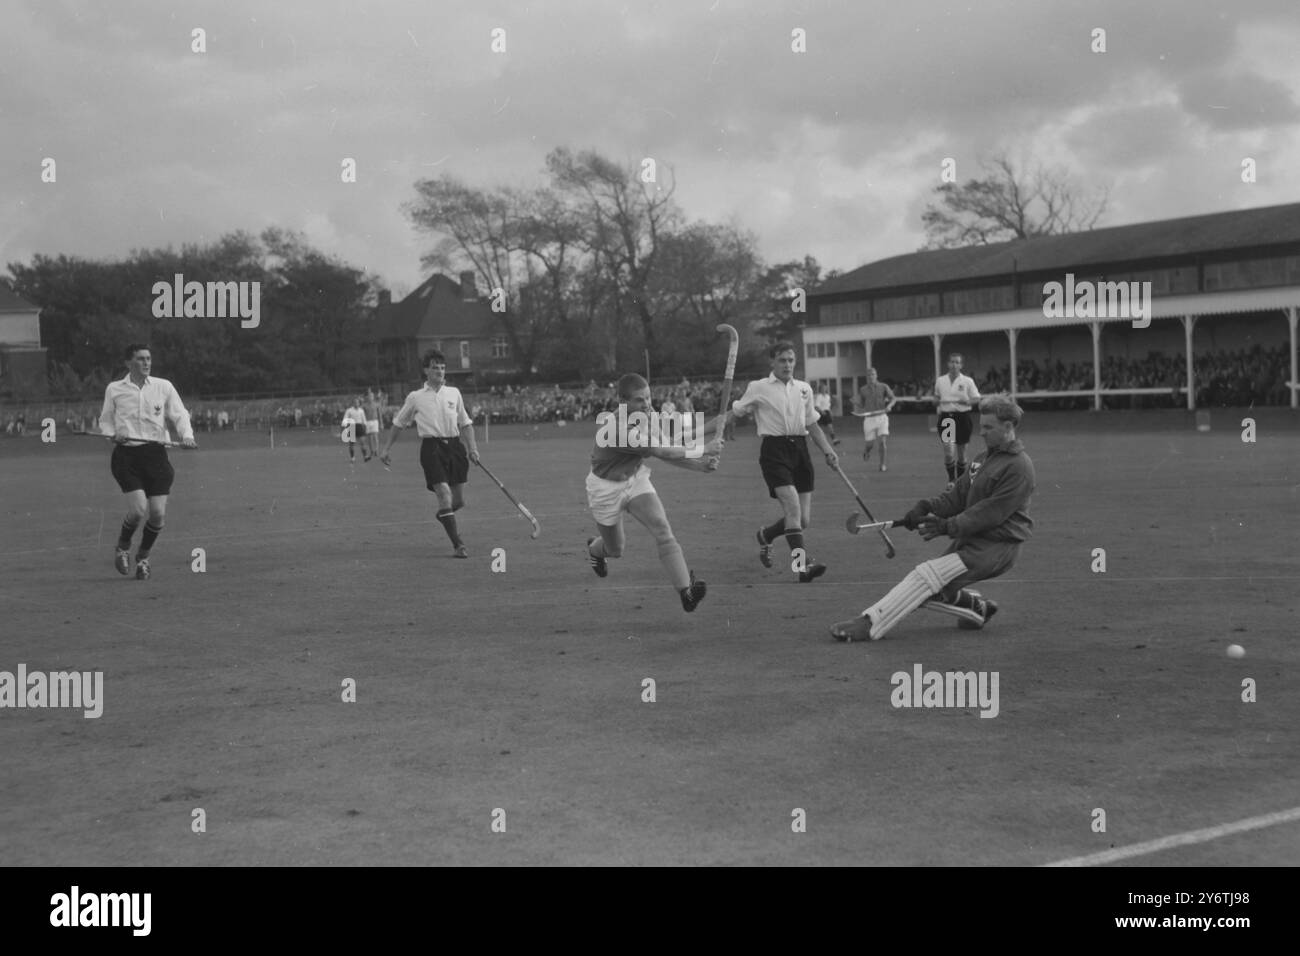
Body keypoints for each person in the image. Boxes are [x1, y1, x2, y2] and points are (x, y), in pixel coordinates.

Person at [830, 394, 1034, 642]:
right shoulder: (982, 459)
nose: (981, 433)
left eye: (988, 427)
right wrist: (926, 507)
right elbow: (957, 497)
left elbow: (990, 513)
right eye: (981, 426)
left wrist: (947, 526)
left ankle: (869, 624)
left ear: (1008, 427)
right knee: (930, 589)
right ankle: (977, 608)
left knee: (924, 577)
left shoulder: (1019, 467)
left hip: (997, 547)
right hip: (973, 540)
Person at [585, 373, 722, 612]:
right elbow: (663, 453)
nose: (647, 404)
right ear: (622, 401)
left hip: (635, 479)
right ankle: (595, 550)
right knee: (615, 550)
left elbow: (669, 446)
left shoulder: (649, 417)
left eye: (648, 397)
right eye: (640, 400)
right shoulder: (616, 428)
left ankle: (686, 592)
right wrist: (705, 448)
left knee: (662, 527)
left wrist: (700, 465)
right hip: (604, 489)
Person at [730, 341, 839, 583]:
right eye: (782, 360)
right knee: (792, 508)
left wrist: (828, 451)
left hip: (800, 450)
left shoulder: (804, 389)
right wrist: (711, 430)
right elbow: (736, 412)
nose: (787, 364)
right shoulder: (758, 387)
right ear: (773, 362)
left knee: (802, 520)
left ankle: (766, 535)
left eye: (791, 360)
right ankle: (802, 567)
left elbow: (811, 423)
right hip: (774, 451)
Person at [98, 344, 197, 580]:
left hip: (156, 456)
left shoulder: (164, 386)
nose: (146, 363)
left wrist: (187, 436)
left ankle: (143, 557)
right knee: (138, 509)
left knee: (157, 514)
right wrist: (113, 434)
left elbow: (179, 413)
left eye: (149, 359)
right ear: (128, 363)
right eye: (141, 359)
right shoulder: (115, 389)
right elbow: (105, 421)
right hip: (127, 456)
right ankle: (123, 547)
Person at [380, 350, 481, 557]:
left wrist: (473, 448)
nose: (440, 372)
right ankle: (458, 545)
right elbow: (399, 424)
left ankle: (445, 515)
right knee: (444, 495)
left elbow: (466, 423)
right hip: (432, 449)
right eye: (435, 368)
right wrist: (386, 448)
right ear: (426, 370)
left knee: (458, 501)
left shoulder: (454, 393)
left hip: (455, 447)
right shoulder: (415, 397)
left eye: (443, 368)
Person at [933, 352, 981, 489]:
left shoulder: (968, 381)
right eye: (952, 362)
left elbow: (977, 398)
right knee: (948, 451)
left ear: (961, 365)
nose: (954, 365)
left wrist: (967, 401)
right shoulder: (940, 380)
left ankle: (959, 481)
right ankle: (951, 479)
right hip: (947, 418)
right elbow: (936, 397)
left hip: (963, 418)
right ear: (948, 364)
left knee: (962, 453)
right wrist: (935, 401)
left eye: (957, 362)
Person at [852, 367, 896, 471]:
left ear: (876, 375)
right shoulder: (863, 389)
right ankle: (866, 451)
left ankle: (882, 465)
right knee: (870, 445)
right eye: (869, 375)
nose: (871, 377)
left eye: (873, 374)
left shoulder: (883, 386)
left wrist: (889, 406)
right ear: (867, 377)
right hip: (869, 419)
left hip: (882, 417)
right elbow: (861, 404)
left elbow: (893, 398)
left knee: (882, 442)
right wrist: (856, 403)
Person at [342, 397, 368, 463]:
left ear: (359, 403)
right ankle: (352, 458)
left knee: (362, 442)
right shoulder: (349, 410)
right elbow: (345, 419)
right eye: (355, 402)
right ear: (353, 403)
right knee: (351, 444)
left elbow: (364, 420)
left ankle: (365, 456)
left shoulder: (361, 410)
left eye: (357, 402)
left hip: (359, 426)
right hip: (351, 426)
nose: (356, 403)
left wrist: (365, 427)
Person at [364, 389, 383, 460]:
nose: (370, 397)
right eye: (369, 396)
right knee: (370, 438)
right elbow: (363, 415)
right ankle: (371, 451)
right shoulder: (364, 405)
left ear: (373, 397)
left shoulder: (376, 404)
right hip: (368, 422)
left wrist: (381, 423)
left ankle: (376, 450)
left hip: (375, 421)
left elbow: (379, 414)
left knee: (375, 437)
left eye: (371, 396)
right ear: (367, 397)